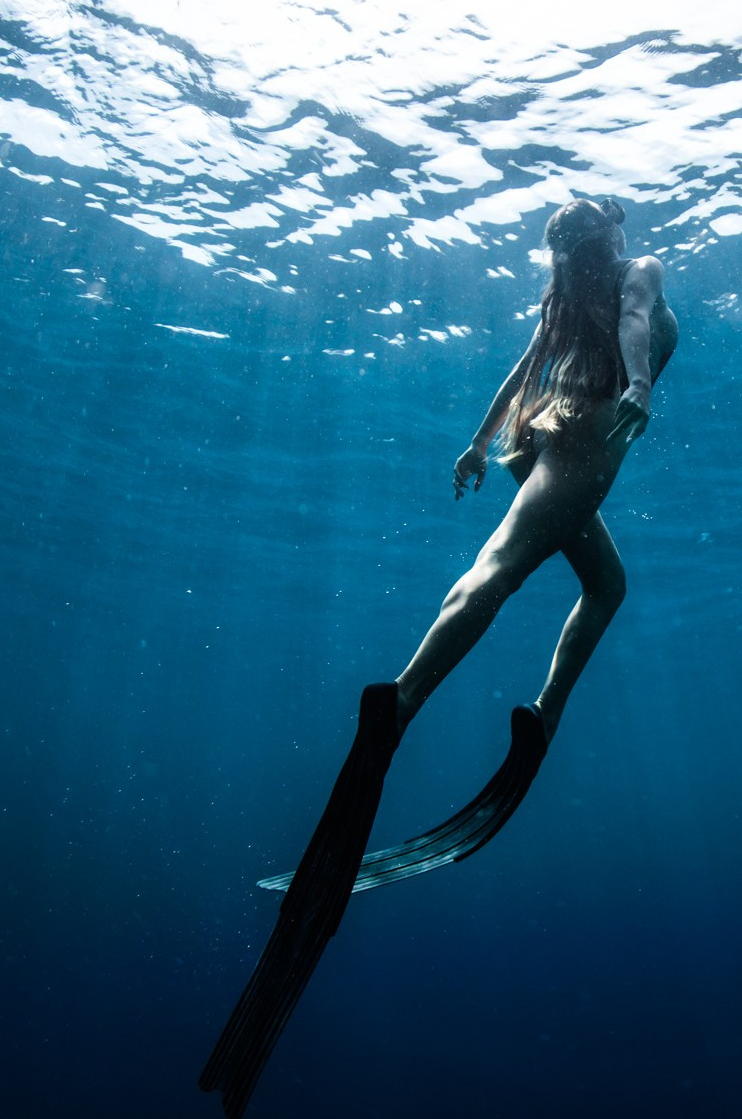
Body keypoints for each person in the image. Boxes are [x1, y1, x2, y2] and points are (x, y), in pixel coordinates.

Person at [201, 197, 676, 1118]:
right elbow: (630, 329)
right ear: (610, 237)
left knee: (604, 586)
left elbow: (523, 368)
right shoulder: (635, 278)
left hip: (548, 431)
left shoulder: (563, 301)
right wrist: (643, 392)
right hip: (585, 434)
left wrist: (475, 440)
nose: (623, 237)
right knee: (496, 572)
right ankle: (402, 702)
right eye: (615, 224)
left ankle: (539, 719)